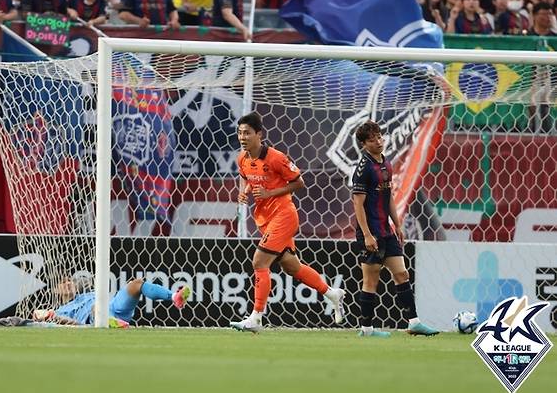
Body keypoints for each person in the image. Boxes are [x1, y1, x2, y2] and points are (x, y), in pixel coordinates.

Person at [230, 112, 345, 333]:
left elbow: (299, 183)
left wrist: (270, 192)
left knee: (259, 262)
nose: (242, 137)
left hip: (284, 215)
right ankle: (332, 293)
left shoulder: (276, 158)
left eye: (247, 133)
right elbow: (246, 177)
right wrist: (243, 193)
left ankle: (256, 318)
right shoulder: (242, 159)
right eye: (240, 133)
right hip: (265, 218)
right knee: (292, 267)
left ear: (259, 134)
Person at [352, 120, 439, 337]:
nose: (378, 142)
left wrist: (397, 224)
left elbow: (388, 195)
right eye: (372, 140)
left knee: (402, 274)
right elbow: (358, 204)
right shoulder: (363, 169)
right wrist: (367, 235)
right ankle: (367, 329)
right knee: (371, 280)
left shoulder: (386, 164)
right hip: (370, 233)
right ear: (364, 144)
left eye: (380, 137)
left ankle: (414, 322)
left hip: (386, 231)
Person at [32, 277, 192, 327]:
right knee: (97, 307)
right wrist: (46, 314)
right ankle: (109, 321)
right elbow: (68, 322)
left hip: (115, 308)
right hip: (95, 317)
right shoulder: (60, 310)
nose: (68, 283)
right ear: (55, 290)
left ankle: (174, 297)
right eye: (63, 282)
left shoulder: (89, 294)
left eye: (70, 280)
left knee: (135, 284)